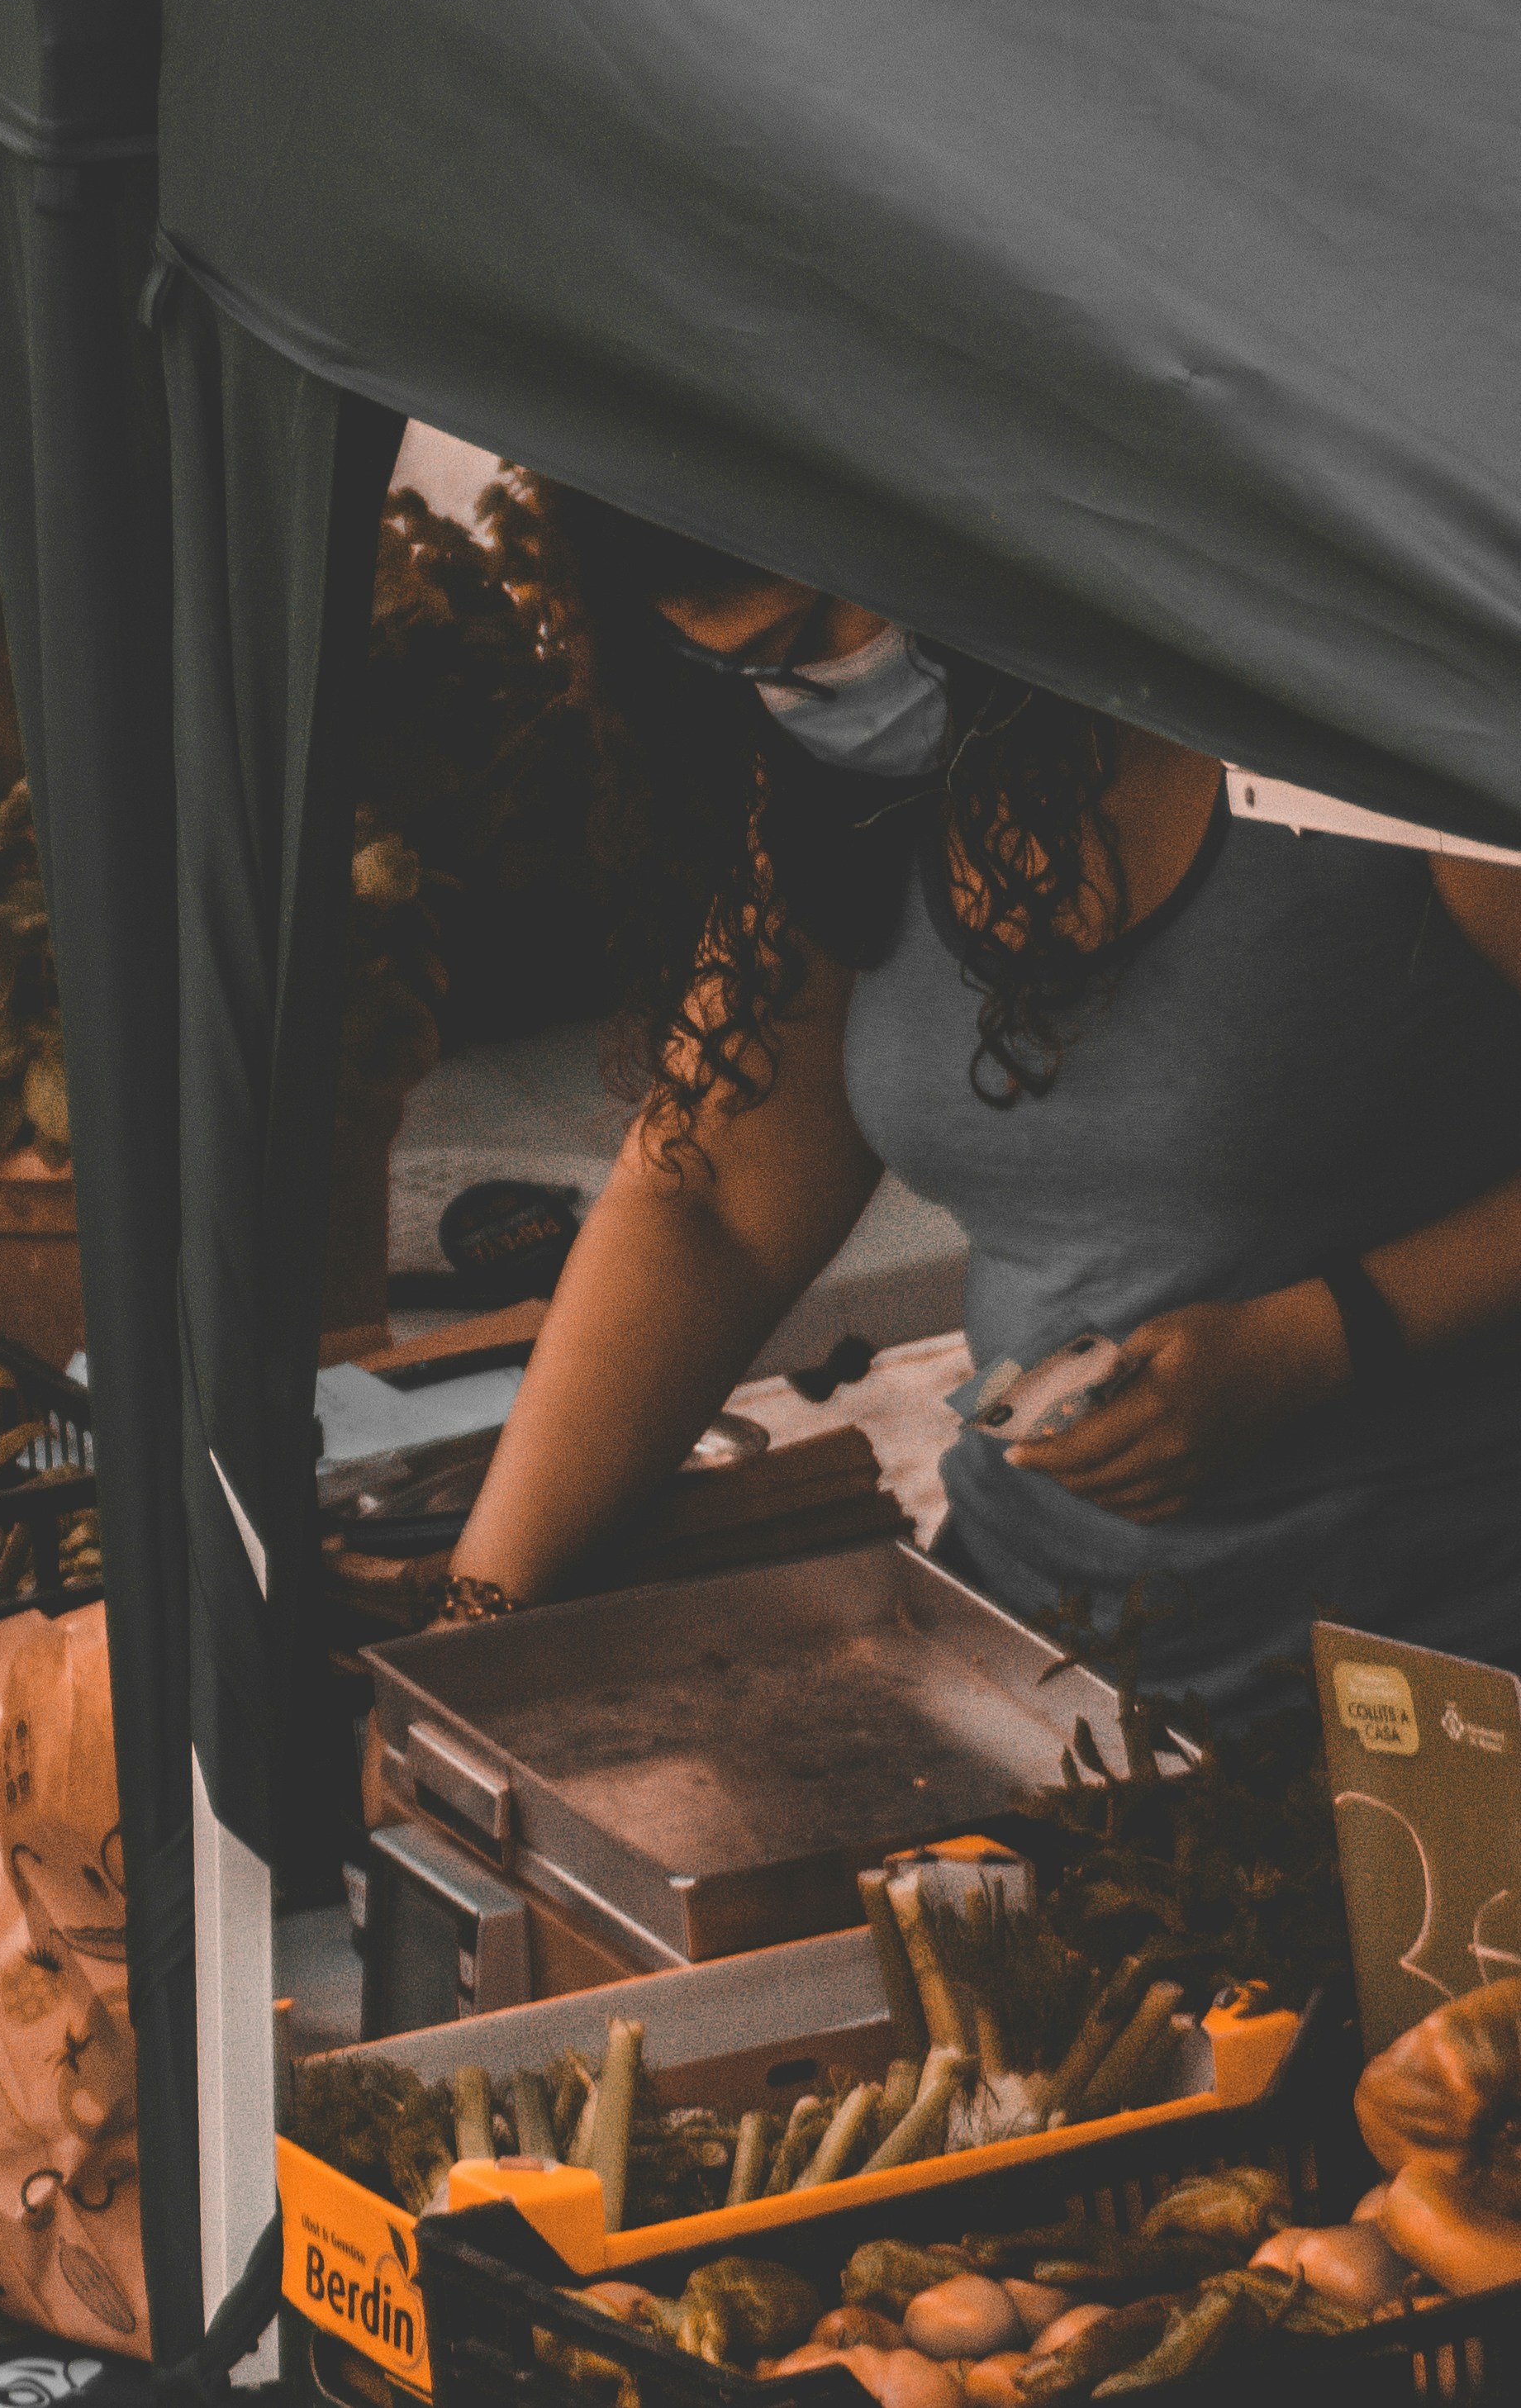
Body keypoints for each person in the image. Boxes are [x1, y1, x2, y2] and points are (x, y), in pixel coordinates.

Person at [438, 486, 1521, 1715]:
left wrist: (1321, 1337)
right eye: (790, 658)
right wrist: (481, 1622)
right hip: (1041, 1665)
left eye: (878, 593)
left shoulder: (1347, 725)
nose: (862, 657)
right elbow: (711, 1199)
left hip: (1452, 1682)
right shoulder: (843, 798)